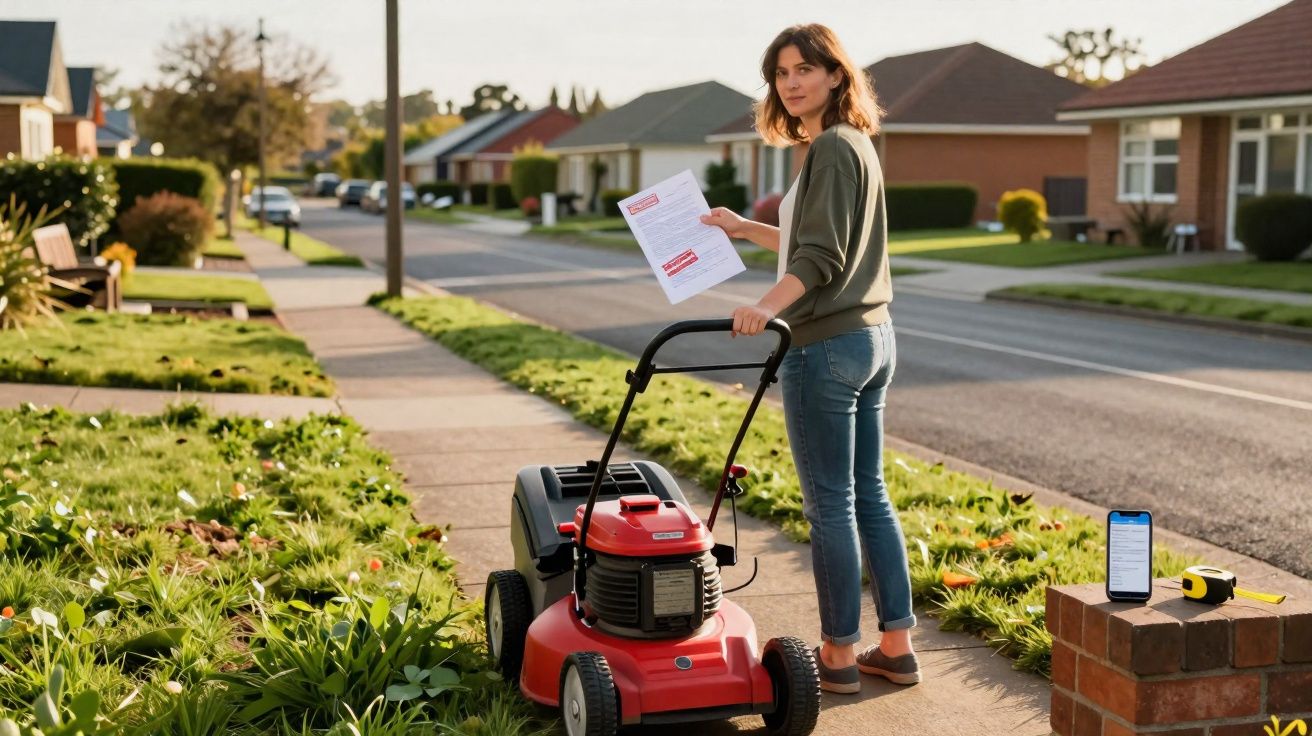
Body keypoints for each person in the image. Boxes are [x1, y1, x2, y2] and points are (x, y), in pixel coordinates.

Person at [700, 23, 918, 694]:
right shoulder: (857, 146)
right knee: (869, 496)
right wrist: (743, 229)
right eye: (781, 73)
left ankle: (838, 656)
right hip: (873, 338)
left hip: (824, 347)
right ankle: (897, 646)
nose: (791, 83)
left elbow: (819, 262)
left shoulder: (828, 147)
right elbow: (812, 242)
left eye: (804, 69)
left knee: (830, 505)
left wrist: (766, 307)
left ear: (834, 74)